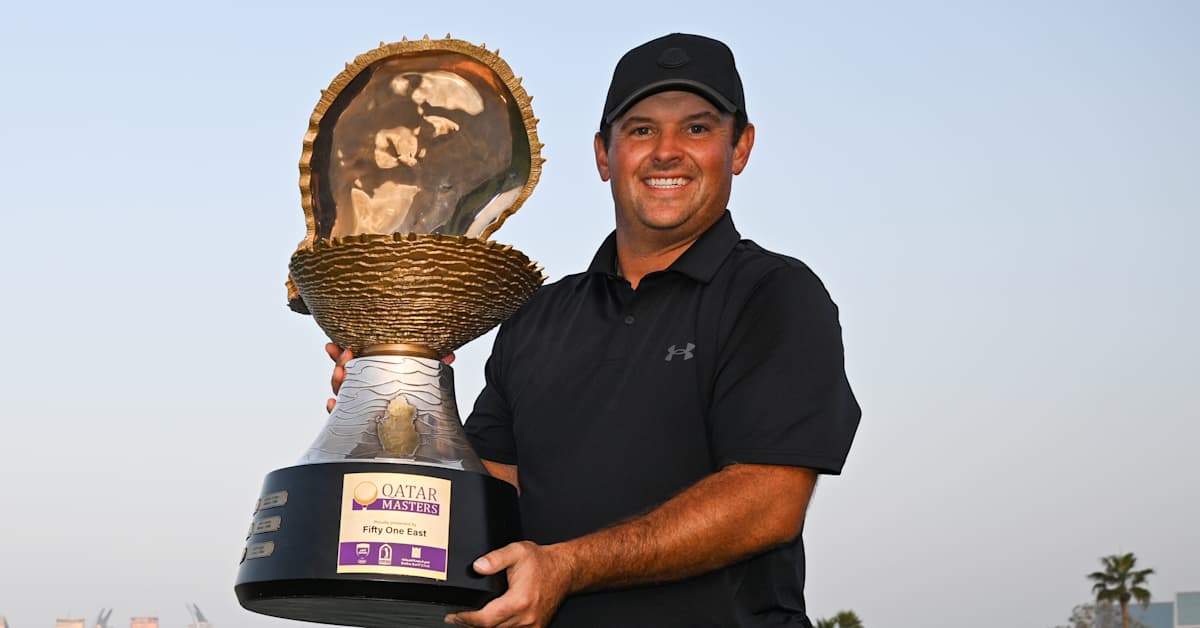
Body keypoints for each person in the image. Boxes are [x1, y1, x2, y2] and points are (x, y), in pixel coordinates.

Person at [328, 32, 860, 628]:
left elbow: (768, 502)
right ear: (604, 155)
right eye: (639, 130)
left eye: (697, 128)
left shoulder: (774, 294)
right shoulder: (536, 316)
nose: (666, 151)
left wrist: (570, 565)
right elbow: (492, 503)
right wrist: (410, 404)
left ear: (740, 148)